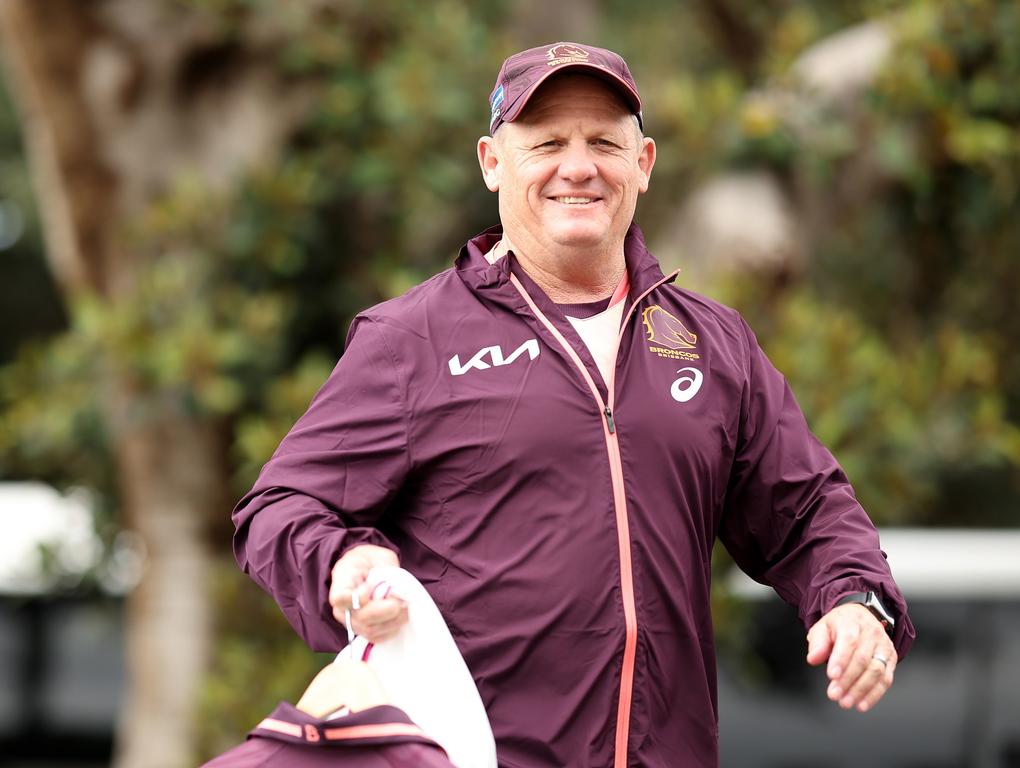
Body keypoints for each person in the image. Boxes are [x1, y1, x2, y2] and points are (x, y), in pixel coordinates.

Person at [233, 41, 915, 768]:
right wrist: (341, 563)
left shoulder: (713, 344)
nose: (579, 167)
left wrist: (856, 602)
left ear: (644, 163)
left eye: (603, 143)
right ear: (493, 163)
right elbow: (278, 509)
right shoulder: (413, 340)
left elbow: (807, 509)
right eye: (548, 143)